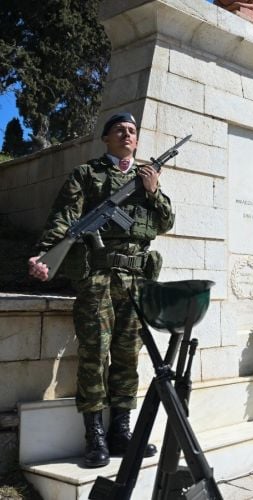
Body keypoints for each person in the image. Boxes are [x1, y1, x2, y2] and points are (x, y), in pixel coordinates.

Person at [28, 113, 171, 468]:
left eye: (133, 131)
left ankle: (121, 432)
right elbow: (63, 218)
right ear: (106, 138)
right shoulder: (86, 174)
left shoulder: (145, 180)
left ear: (137, 141)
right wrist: (47, 255)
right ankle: (94, 436)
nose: (127, 133)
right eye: (120, 130)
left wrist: (153, 193)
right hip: (98, 278)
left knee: (127, 356)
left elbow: (165, 222)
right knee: (95, 354)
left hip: (136, 281)